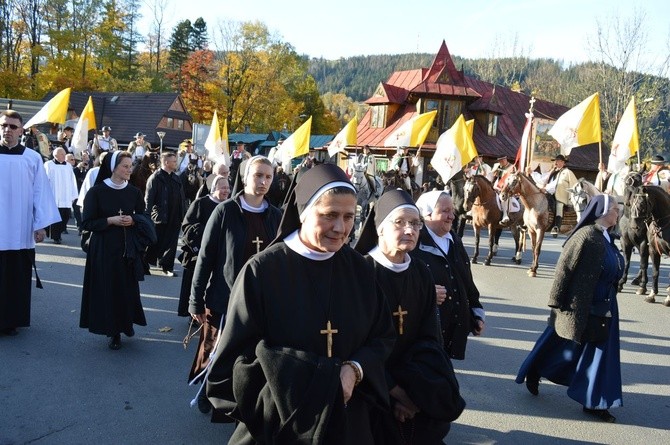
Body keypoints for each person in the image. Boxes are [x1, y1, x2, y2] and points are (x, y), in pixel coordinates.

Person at [205, 164, 395, 443]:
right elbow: (230, 368)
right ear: (304, 213)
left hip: (348, 424)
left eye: (348, 217)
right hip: (280, 427)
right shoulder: (262, 271)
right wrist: (314, 385)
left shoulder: (361, 269)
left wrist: (354, 369)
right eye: (329, 215)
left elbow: (383, 337)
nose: (340, 228)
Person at [354, 189, 465, 444]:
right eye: (400, 222)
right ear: (380, 228)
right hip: (371, 388)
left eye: (415, 223)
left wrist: (415, 393)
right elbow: (358, 345)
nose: (410, 230)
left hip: (415, 385)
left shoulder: (421, 272)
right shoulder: (360, 273)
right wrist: (397, 393)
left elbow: (429, 338)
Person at [516, 194, 624, 423]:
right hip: (579, 303)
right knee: (560, 340)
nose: (618, 212)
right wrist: (557, 301)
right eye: (615, 209)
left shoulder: (608, 236)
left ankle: (594, 401)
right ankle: (536, 368)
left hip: (605, 304)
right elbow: (564, 268)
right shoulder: (585, 236)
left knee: (600, 352)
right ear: (603, 212)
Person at [189, 156, 281, 413]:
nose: (263, 182)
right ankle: (208, 390)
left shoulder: (276, 216)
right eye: (258, 175)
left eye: (268, 177)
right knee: (215, 349)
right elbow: (205, 257)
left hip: (261, 300)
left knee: (249, 354)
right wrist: (195, 299)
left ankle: (241, 396)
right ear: (245, 176)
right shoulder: (226, 211)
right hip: (226, 295)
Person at [79, 151, 155, 350]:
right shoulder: (96, 192)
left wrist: (134, 219)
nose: (130, 170)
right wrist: (110, 221)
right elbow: (86, 222)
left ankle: (125, 325)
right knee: (108, 289)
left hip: (127, 248)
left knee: (125, 289)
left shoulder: (134, 192)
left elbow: (143, 215)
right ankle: (113, 331)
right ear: (113, 168)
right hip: (103, 249)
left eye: (130, 166)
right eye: (125, 166)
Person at [0, 110, 60, 336]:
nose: (8, 130)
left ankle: (11, 321)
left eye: (13, 126)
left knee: (15, 277)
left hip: (19, 229)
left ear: (21, 130)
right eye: (4, 125)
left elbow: (40, 193)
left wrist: (40, 224)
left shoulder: (32, 158)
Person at [412, 191, 485, 360]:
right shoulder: (414, 243)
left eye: (452, 211)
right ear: (427, 213)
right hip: (425, 333)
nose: (452, 216)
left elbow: (466, 279)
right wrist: (427, 293)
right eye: (445, 211)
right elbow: (401, 284)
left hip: (454, 328)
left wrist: (475, 312)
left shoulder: (454, 239)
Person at [177, 175, 231, 318]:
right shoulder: (200, 203)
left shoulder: (230, 206)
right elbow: (187, 226)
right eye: (222, 188)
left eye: (228, 187)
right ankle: (194, 312)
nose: (226, 191)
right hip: (199, 252)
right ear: (213, 189)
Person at [145, 151, 186, 277]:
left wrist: (183, 216)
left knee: (171, 243)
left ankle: (167, 266)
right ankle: (144, 263)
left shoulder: (176, 178)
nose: (176, 163)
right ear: (166, 162)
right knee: (154, 241)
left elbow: (181, 198)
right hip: (159, 216)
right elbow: (149, 198)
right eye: (173, 161)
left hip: (174, 216)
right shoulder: (155, 178)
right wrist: (146, 217)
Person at [534, 154, 578, 237]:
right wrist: (532, 173)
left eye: (558, 161)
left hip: (562, 196)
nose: (556, 162)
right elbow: (543, 180)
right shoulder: (553, 172)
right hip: (550, 194)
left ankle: (556, 227)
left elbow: (574, 185)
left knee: (559, 206)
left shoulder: (568, 172)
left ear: (563, 162)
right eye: (556, 161)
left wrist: (546, 189)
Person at [44, 147, 79, 244]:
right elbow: (44, 181)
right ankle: (56, 236)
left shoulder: (68, 166)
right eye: (62, 154)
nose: (64, 156)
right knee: (55, 218)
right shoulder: (48, 165)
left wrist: (73, 195)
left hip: (66, 197)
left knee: (65, 216)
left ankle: (58, 233)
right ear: (56, 155)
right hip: (54, 196)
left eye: (64, 154)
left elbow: (73, 181)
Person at [490, 155, 516, 224]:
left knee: (503, 197)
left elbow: (512, 179)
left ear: (505, 159)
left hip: (507, 187)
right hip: (497, 186)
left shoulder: (511, 167)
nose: (501, 162)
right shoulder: (498, 167)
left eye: (502, 160)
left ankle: (505, 215)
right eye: (499, 161)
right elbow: (493, 176)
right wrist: (494, 173)